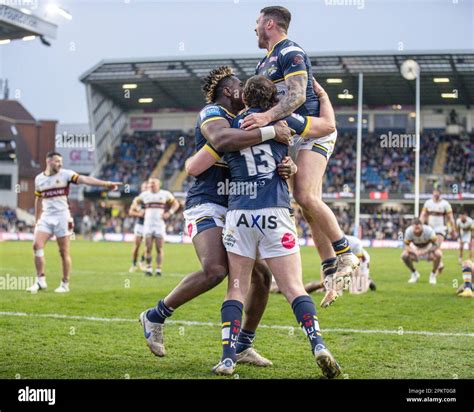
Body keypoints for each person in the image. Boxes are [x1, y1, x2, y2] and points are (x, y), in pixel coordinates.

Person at [139, 66, 293, 366]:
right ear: (228, 91)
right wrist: (271, 130)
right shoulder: (212, 112)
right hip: (207, 202)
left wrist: (287, 166)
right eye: (239, 85)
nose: (245, 89)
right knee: (215, 270)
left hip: (238, 206)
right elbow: (222, 141)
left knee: (262, 277)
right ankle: (155, 315)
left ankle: (243, 345)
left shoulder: (247, 120)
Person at [212, 75, 341, 378]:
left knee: (236, 287)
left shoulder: (230, 124)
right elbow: (325, 128)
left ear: (244, 99)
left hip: (240, 213)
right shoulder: (282, 125)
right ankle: (318, 344)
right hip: (275, 212)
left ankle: (228, 358)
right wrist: (321, 96)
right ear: (273, 100)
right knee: (293, 286)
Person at [240, 6, 359, 308]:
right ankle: (331, 269)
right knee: (306, 205)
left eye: (256, 22)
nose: (253, 28)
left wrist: (266, 116)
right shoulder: (264, 62)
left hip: (312, 130)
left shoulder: (290, 52)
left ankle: (346, 254)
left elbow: (296, 96)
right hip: (293, 134)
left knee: (305, 196)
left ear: (269, 23)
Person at [28, 151, 121, 293]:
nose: (60, 164)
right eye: (57, 161)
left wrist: (106, 184)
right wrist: (37, 219)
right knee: (36, 245)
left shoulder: (65, 174)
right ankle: (41, 281)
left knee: (63, 251)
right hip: (46, 217)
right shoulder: (39, 179)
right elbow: (38, 199)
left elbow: (84, 179)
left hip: (62, 217)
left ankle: (65, 284)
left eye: (61, 161)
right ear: (49, 161)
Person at [303, 234, 376, 295]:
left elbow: (356, 268)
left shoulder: (355, 243)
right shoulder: (330, 245)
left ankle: (368, 281)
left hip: (360, 260)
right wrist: (324, 284)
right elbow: (324, 266)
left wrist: (354, 287)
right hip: (344, 259)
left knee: (359, 284)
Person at [135, 178, 180, 276]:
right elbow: (136, 202)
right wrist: (139, 210)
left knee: (159, 248)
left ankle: (159, 269)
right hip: (148, 225)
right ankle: (149, 268)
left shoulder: (165, 194)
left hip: (159, 224)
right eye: (150, 183)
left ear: (159, 184)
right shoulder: (145, 195)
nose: (151, 185)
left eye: (153, 183)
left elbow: (176, 203)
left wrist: (169, 213)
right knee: (148, 247)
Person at [420, 189, 456, 278]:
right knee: (434, 250)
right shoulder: (428, 203)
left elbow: (450, 218)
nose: (435, 194)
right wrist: (420, 226)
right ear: (432, 193)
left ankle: (434, 272)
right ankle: (440, 264)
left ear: (440, 194)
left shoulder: (445, 204)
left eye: (437, 193)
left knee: (436, 247)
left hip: (441, 229)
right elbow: (423, 215)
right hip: (430, 229)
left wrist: (453, 230)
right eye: (434, 193)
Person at [401, 218, 442, 285]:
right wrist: (414, 251)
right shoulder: (408, 231)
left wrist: (425, 251)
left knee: (439, 254)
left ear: (422, 226)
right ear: (412, 227)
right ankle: (414, 273)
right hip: (415, 248)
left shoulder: (429, 230)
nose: (417, 230)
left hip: (428, 248)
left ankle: (433, 274)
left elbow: (436, 245)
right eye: (415, 228)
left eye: (418, 228)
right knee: (404, 255)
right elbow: (406, 246)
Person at [128, 181, 149, 272]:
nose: (146, 188)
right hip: (140, 225)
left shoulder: (152, 198)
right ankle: (133, 264)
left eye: (147, 187)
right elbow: (130, 212)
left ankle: (142, 261)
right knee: (137, 245)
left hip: (149, 225)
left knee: (148, 246)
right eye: (144, 187)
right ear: (141, 189)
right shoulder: (138, 200)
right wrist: (139, 214)